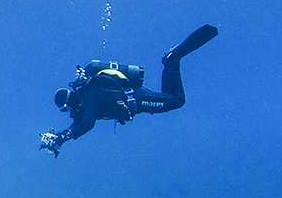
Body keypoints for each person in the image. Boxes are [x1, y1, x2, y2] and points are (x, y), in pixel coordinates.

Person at [40, 24, 218, 157]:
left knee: (176, 101)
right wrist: (61, 136)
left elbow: (88, 123)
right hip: (136, 102)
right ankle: (171, 61)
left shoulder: (89, 93)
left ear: (68, 101)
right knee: (172, 99)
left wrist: (66, 137)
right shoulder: (83, 102)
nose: (68, 112)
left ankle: (173, 60)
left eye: (65, 108)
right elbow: (79, 122)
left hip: (137, 98)